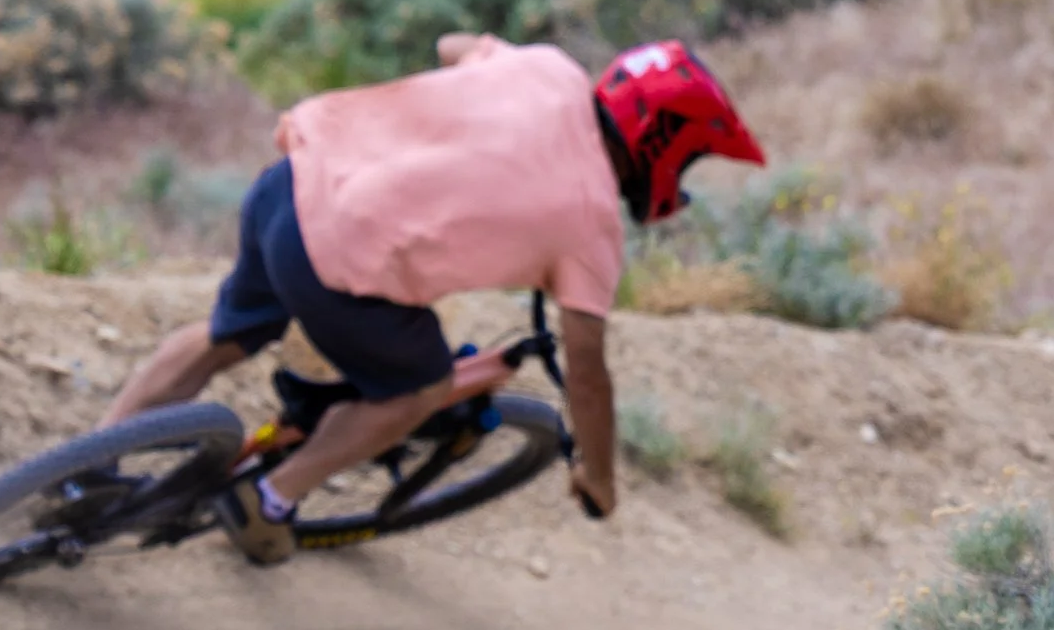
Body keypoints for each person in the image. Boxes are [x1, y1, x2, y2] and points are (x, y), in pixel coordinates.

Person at [99, 34, 767, 564]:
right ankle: (271, 502)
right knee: (417, 387)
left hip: (296, 178)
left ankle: (88, 466)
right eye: (690, 159)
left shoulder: (548, 69)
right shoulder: (593, 224)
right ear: (663, 142)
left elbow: (451, 44)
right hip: (342, 260)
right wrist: (600, 477)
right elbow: (586, 371)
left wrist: (473, 109)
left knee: (223, 335)